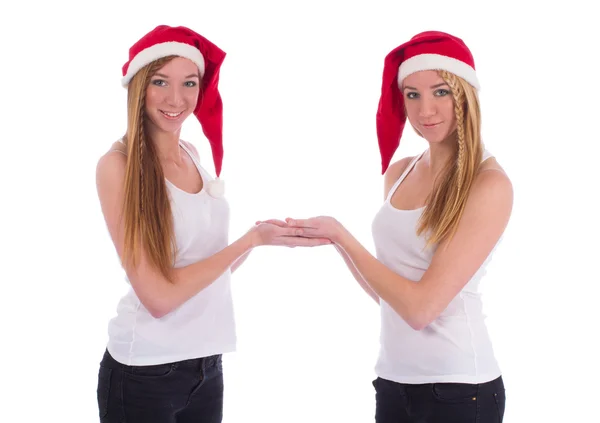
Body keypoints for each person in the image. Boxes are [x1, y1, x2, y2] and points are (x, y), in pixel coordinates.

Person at [262, 31, 511, 422]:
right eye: (412, 94)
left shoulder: (488, 184)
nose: (425, 109)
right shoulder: (399, 172)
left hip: (461, 391)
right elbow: (391, 298)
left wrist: (345, 235)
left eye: (440, 92)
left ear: (464, 92)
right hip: (393, 382)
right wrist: (335, 242)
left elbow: (420, 309)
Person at [94, 25, 330, 423]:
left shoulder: (191, 152)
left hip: (206, 367)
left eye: (189, 83)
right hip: (146, 371)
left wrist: (260, 241)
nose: (176, 98)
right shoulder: (117, 167)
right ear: (138, 87)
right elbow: (158, 297)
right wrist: (246, 242)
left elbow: (203, 268)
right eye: (160, 82)